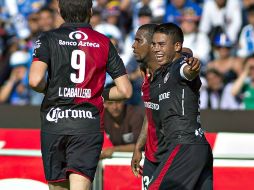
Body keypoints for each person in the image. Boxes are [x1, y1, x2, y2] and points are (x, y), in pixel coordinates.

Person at [28, 0, 132, 190]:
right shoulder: (103, 41)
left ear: (59, 11)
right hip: (87, 126)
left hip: (55, 122)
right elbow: (125, 90)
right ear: (90, 11)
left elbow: (35, 81)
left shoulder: (47, 38)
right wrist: (96, 94)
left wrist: (52, 90)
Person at [130, 23, 201, 189]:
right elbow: (152, 111)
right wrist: (139, 146)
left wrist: (191, 65)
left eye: (138, 41)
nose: (133, 46)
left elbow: (186, 59)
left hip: (175, 149)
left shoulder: (175, 67)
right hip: (152, 156)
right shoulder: (148, 75)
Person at [148, 23, 213, 190]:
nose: (156, 49)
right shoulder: (162, 74)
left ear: (177, 46)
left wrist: (192, 68)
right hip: (197, 147)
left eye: (161, 44)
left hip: (184, 144)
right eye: (154, 44)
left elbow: (188, 70)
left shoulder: (179, 66)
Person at [101, 90, 144, 159]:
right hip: (112, 161)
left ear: (124, 101)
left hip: (136, 159)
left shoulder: (135, 114)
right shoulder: (100, 116)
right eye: (110, 103)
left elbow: (140, 146)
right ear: (104, 104)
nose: (115, 107)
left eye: (118, 102)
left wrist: (113, 149)